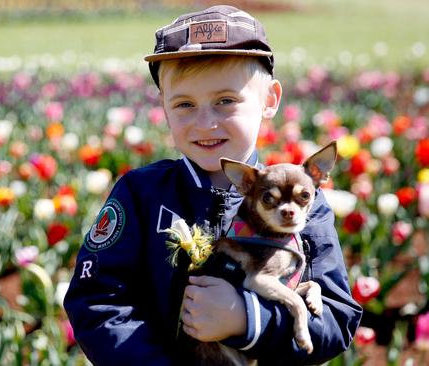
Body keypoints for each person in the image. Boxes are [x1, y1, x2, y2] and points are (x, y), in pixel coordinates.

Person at [63, 4, 362, 365]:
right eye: (185, 104)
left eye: (225, 101)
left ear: (270, 100)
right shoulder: (141, 194)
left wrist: (247, 319)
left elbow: (336, 320)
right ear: (164, 106)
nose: (205, 123)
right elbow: (96, 300)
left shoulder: (301, 203)